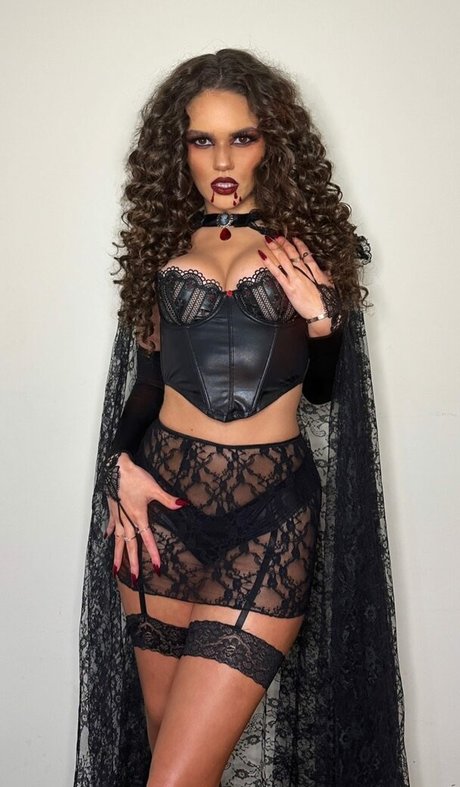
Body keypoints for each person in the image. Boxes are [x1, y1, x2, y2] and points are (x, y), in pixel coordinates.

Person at [74, 49, 409, 787]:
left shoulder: (310, 249)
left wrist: (324, 322)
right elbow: (148, 385)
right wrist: (119, 467)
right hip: (161, 517)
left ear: (271, 143)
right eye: (203, 140)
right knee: (166, 753)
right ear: (179, 150)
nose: (223, 160)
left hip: (269, 521)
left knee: (176, 777)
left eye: (242, 137)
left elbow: (323, 393)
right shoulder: (161, 247)